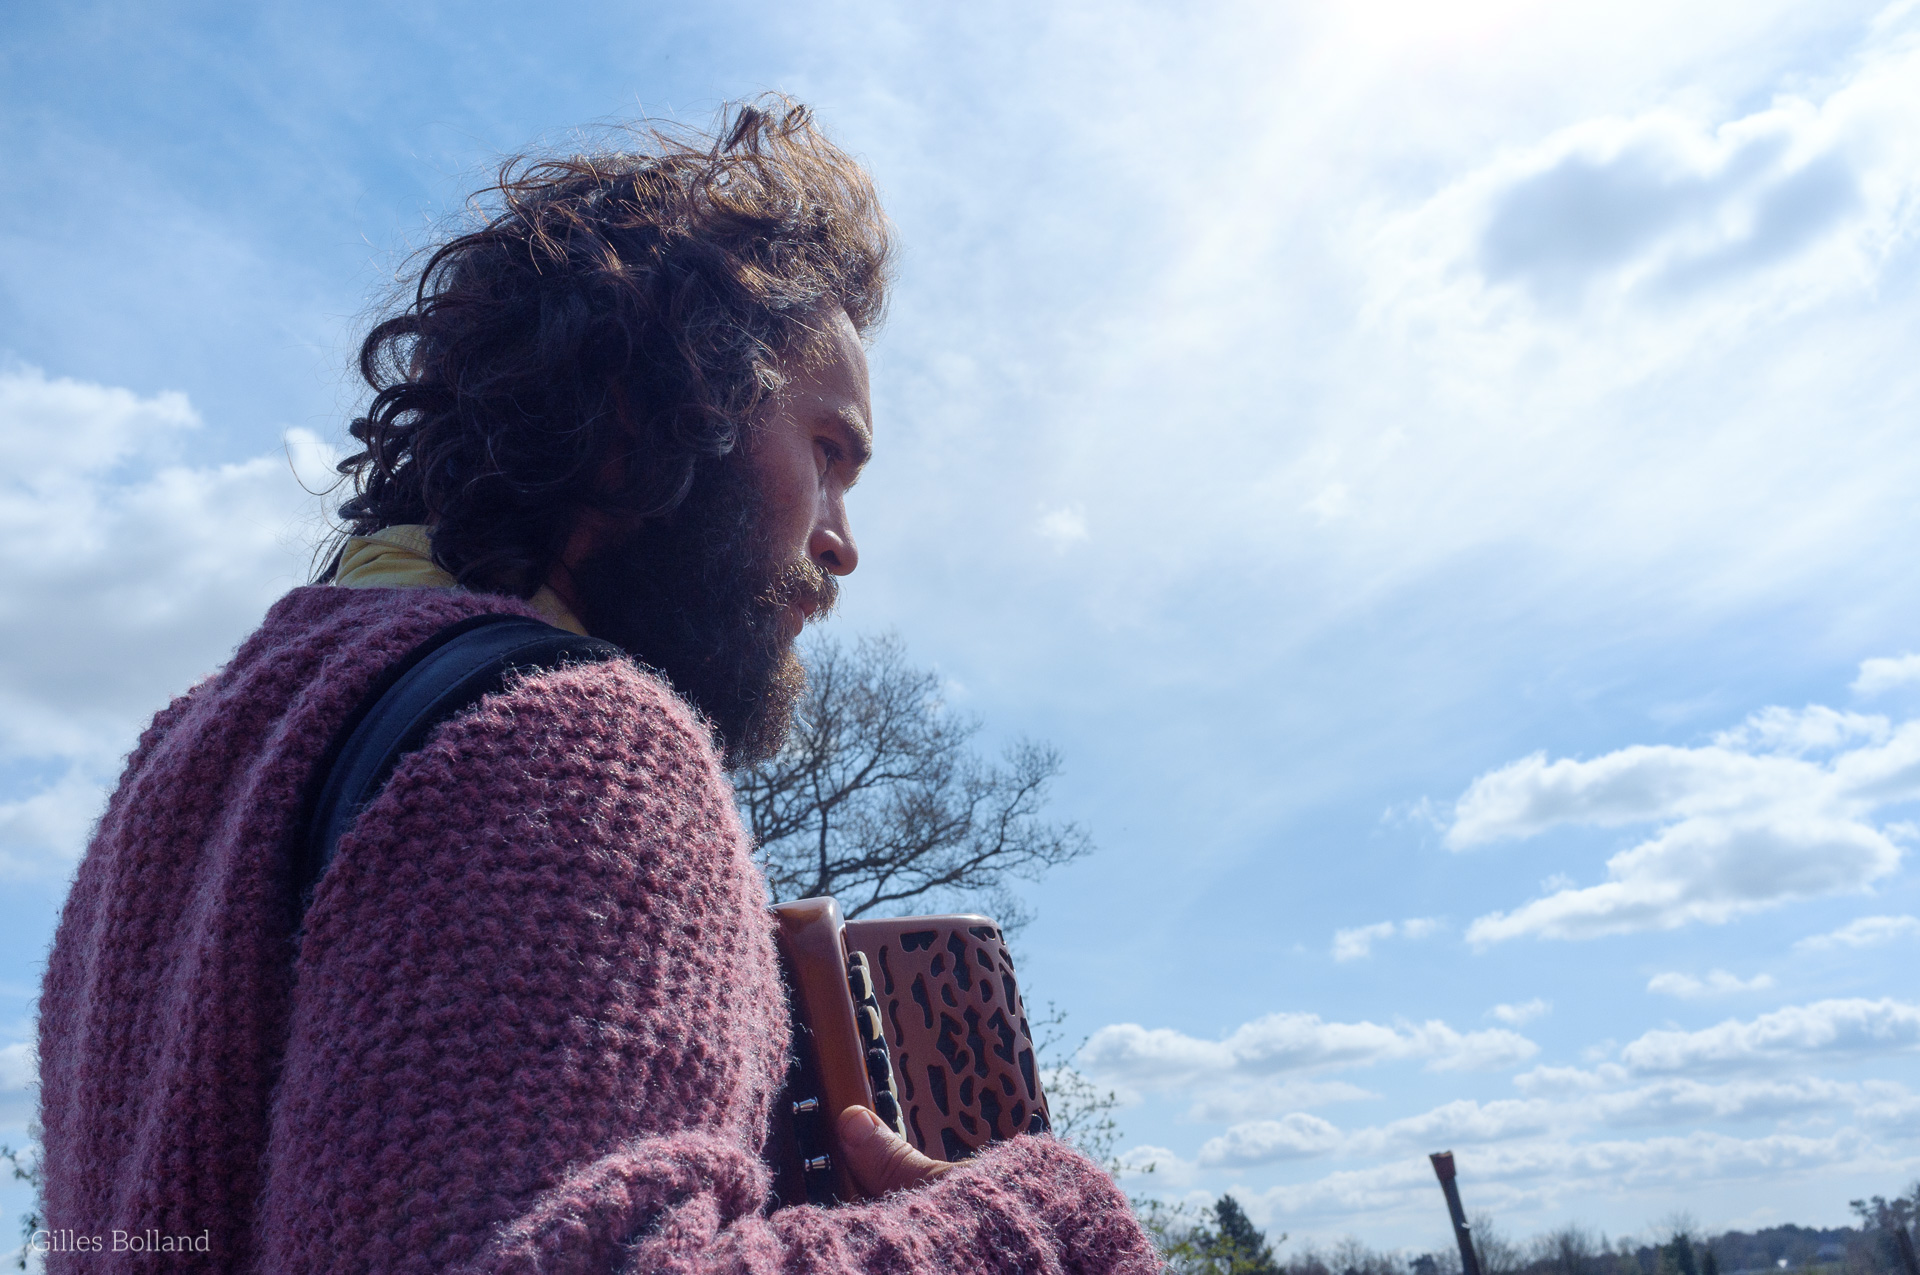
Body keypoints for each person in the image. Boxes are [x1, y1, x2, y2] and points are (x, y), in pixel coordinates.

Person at [34, 100, 1156, 1274]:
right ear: (654, 405)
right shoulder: (573, 739)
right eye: (828, 453)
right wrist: (1039, 1232)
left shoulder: (183, 760)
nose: (842, 543)